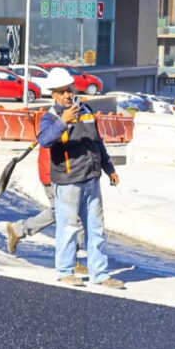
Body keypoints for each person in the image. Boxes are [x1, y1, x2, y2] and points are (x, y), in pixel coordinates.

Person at [38, 67, 124, 289]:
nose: (68, 95)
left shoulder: (86, 110)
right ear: (53, 95)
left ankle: (100, 273)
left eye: (69, 90)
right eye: (62, 92)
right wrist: (63, 122)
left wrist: (109, 168)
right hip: (68, 181)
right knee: (67, 228)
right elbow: (44, 140)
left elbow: (98, 142)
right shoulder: (50, 117)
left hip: (91, 178)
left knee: (96, 228)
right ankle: (65, 271)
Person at [4, 145, 87, 274]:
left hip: (54, 170)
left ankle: (18, 229)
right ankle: (69, 260)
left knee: (58, 211)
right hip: (58, 172)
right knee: (75, 217)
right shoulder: (59, 125)